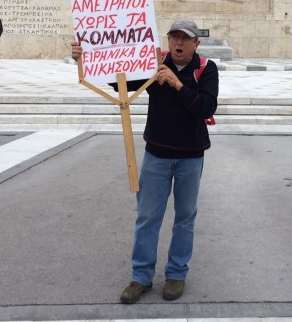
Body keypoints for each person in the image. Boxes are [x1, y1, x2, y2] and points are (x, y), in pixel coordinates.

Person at [71, 18, 218, 304]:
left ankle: (176, 274)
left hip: (190, 156)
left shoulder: (206, 69)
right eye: (174, 37)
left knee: (185, 218)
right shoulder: (152, 64)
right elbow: (119, 82)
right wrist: (85, 58)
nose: (178, 43)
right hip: (157, 154)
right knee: (147, 217)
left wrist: (177, 84)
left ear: (196, 44)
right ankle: (141, 277)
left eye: (185, 39)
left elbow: (206, 107)